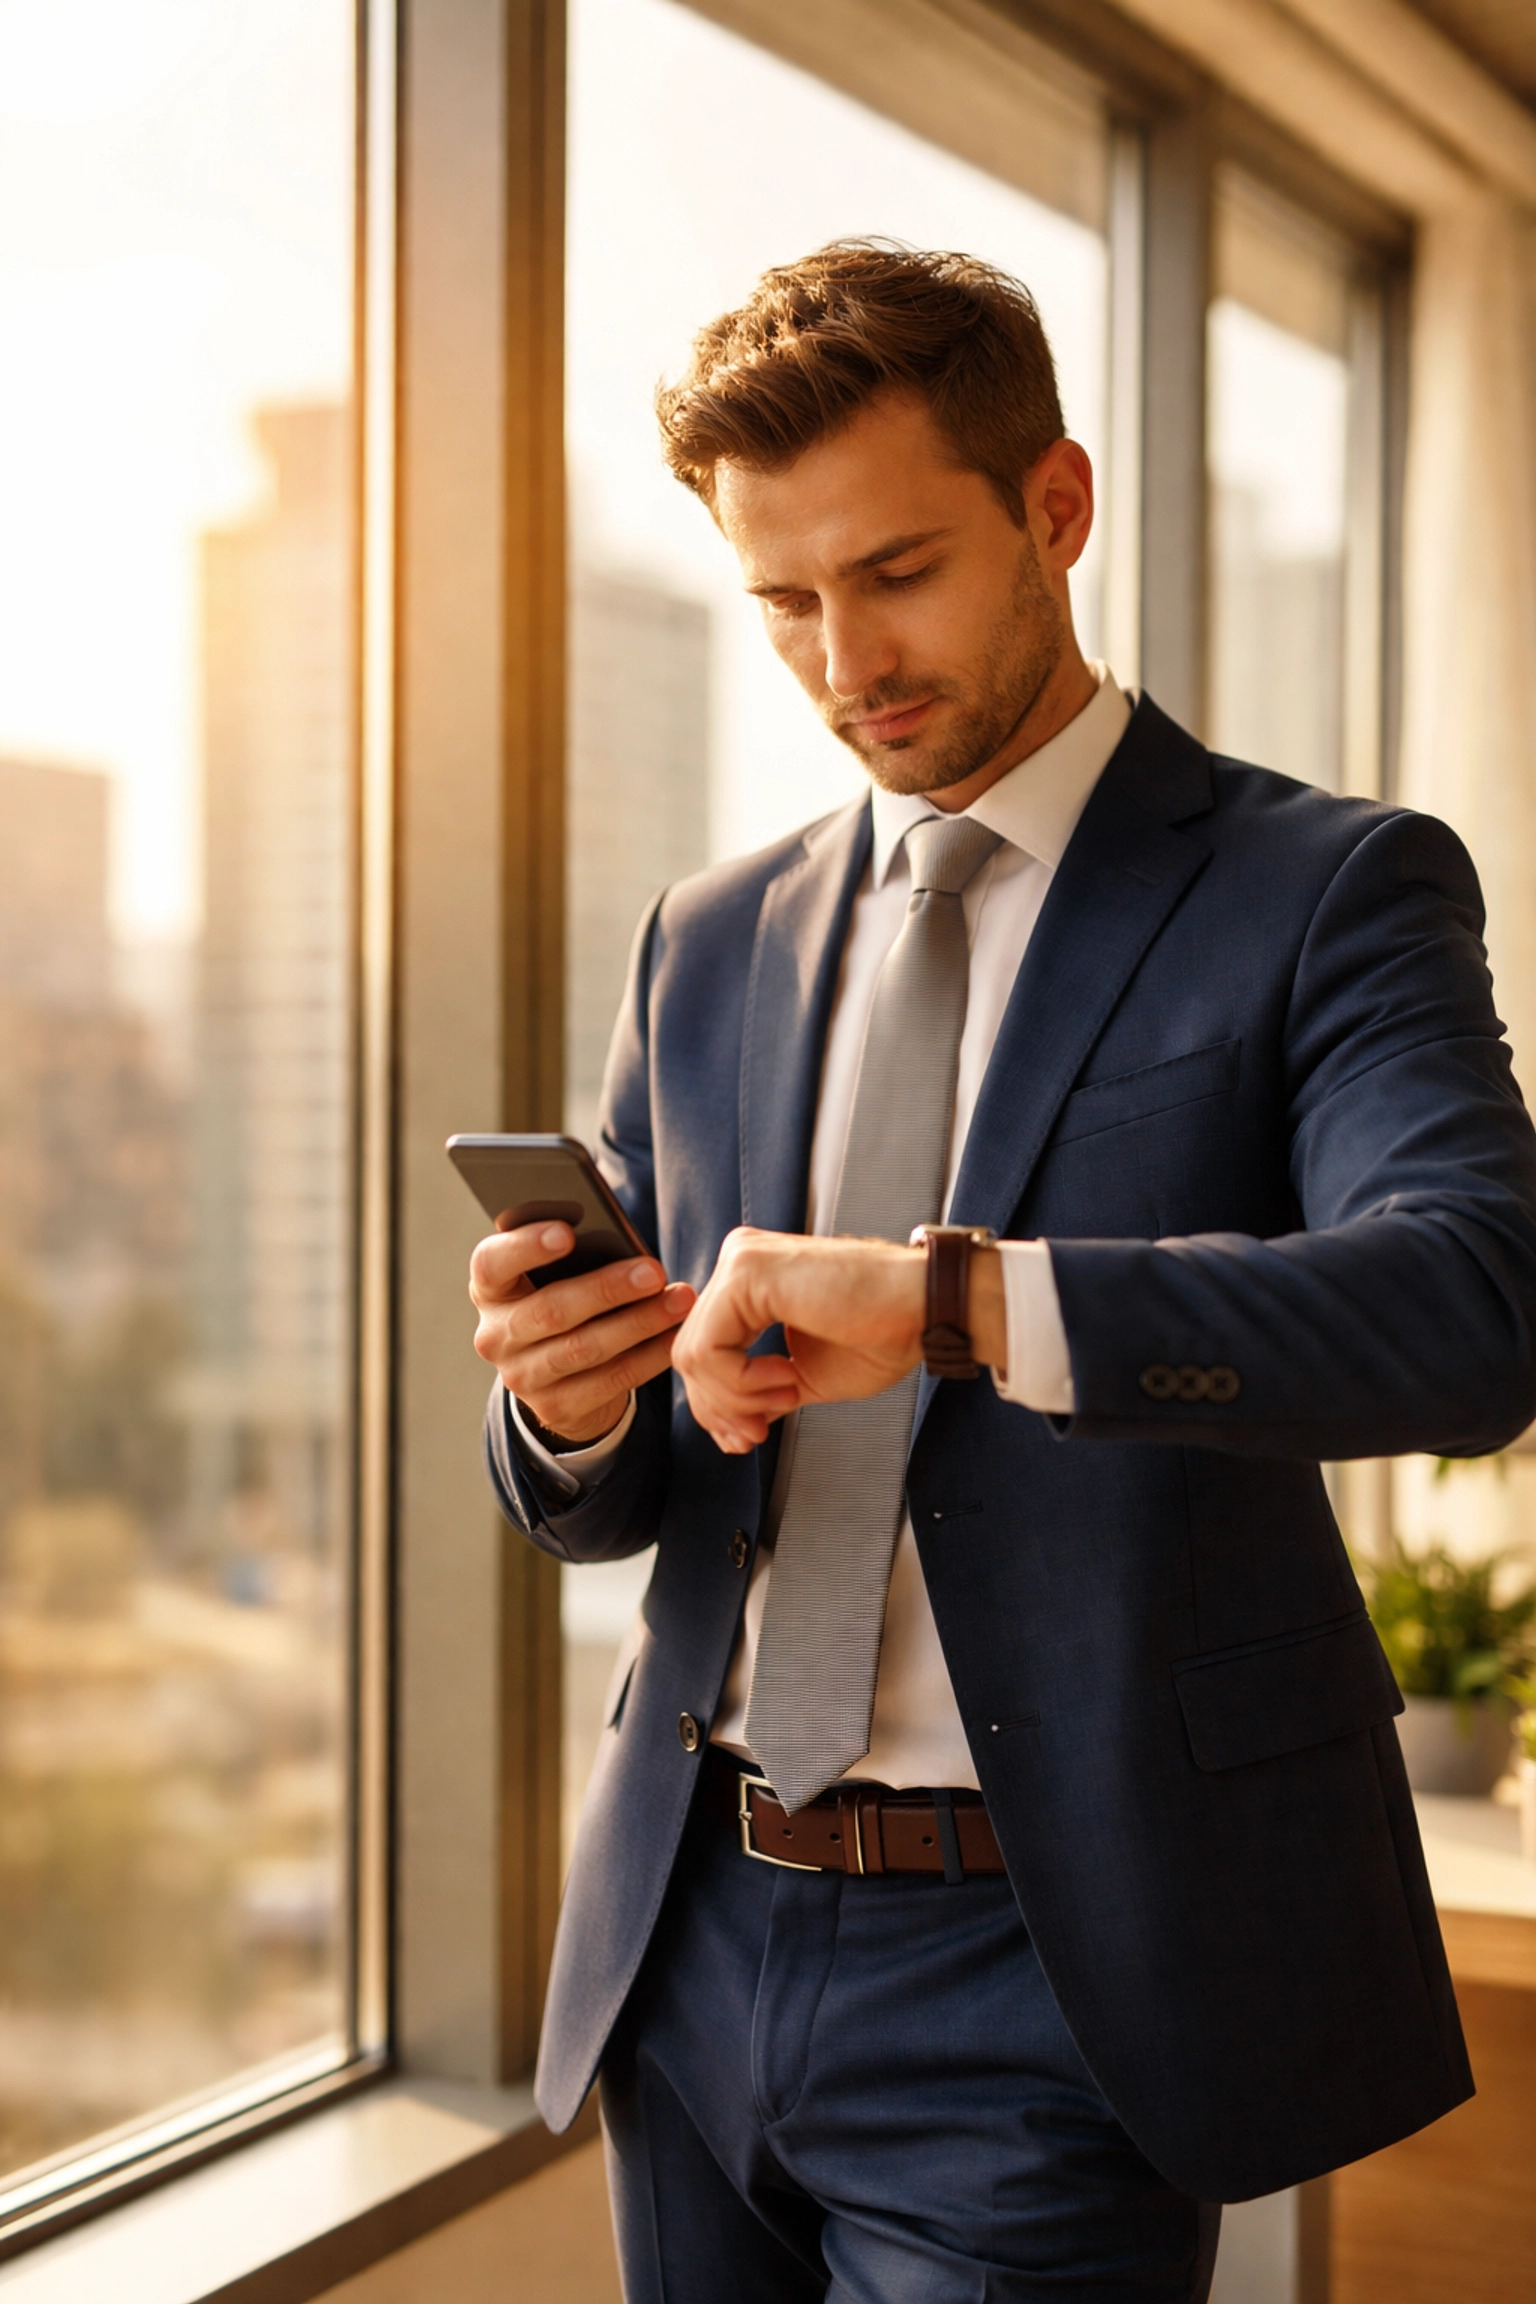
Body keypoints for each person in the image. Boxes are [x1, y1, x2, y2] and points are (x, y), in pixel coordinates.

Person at [469, 242, 1536, 2302]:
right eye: (780, 598)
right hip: (692, 1933)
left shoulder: (1326, 889)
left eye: (897, 572)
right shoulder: (707, 935)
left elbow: (1472, 1308)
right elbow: (609, 1491)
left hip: (1052, 1971)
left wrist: (956, 1303)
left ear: (1056, 510)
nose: (841, 656)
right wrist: (571, 1396)